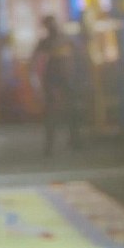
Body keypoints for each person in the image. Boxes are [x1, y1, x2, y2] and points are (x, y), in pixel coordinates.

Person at [30, 15, 82, 156]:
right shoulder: (45, 42)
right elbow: (34, 60)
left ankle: (75, 140)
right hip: (52, 79)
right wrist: (35, 81)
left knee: (72, 109)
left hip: (68, 78)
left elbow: (79, 56)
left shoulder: (67, 39)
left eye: (52, 24)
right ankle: (50, 144)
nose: (52, 27)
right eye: (49, 25)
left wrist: (78, 76)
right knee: (51, 112)